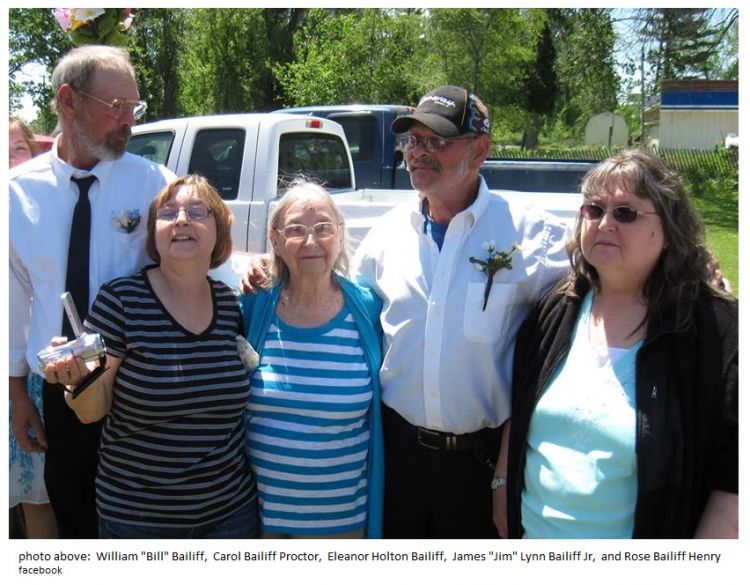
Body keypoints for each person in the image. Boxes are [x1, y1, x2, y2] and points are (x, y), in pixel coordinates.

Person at [350, 86, 569, 537]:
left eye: (438, 141)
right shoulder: (385, 236)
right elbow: (345, 306)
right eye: (414, 140)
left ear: (480, 150)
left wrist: (693, 270)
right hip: (399, 459)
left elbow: (608, 279)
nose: (419, 153)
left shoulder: (534, 235)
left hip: (482, 466)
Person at [498, 150, 737, 538]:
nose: (605, 223)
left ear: (668, 230)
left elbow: (733, 481)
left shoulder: (717, 333)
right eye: (594, 210)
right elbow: (518, 410)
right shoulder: (554, 310)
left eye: (625, 213)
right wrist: (500, 487)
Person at [9, 45, 175, 538]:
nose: (129, 122)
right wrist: (18, 395)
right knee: (74, 512)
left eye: (134, 107)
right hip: (60, 387)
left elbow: (205, 252)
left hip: (140, 386)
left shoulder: (153, 183)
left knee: (146, 518)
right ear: (69, 100)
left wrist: (251, 270)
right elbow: (12, 303)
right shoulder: (15, 194)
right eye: (117, 107)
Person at [43, 174, 259, 539]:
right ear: (154, 233)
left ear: (220, 230)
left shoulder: (230, 305)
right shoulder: (122, 300)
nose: (181, 220)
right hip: (139, 519)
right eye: (168, 213)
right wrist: (79, 380)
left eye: (197, 211)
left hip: (231, 515)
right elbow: (92, 411)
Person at [241, 180, 384, 538]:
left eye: (322, 228)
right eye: (295, 230)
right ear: (275, 240)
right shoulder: (254, 303)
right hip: (260, 524)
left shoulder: (369, 309)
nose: (310, 241)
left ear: (340, 235)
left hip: (343, 526)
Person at [8, 117, 59, 540]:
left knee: (38, 494)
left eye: (18, 150)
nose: (9, 161)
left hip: (28, 376)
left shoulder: (41, 210)